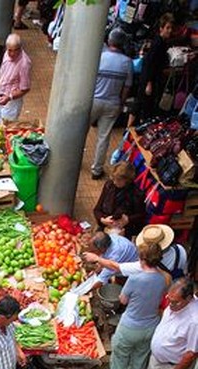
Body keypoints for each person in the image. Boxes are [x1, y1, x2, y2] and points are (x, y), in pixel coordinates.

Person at [109, 241, 168, 369]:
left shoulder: (135, 278)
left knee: (119, 361)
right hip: (150, 327)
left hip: (130, 327)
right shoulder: (163, 279)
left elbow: (123, 300)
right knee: (139, 363)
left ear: (142, 259)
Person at [90, 29, 133, 180]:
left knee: (80, 132)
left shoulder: (99, 57)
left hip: (93, 100)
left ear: (109, 41)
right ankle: (96, 170)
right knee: (103, 137)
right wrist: (120, 104)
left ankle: (70, 162)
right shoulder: (127, 62)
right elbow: (126, 87)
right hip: (112, 104)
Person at [130, 14, 175, 127]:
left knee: (144, 104)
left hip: (152, 79)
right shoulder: (158, 43)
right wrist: (149, 83)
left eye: (171, 28)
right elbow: (150, 63)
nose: (170, 31)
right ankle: (129, 128)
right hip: (149, 79)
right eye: (167, 28)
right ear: (161, 28)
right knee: (141, 104)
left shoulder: (162, 42)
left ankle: (132, 127)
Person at [92, 161, 146, 239]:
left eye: (119, 180)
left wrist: (128, 219)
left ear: (127, 180)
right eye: (114, 179)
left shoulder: (137, 194)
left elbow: (141, 216)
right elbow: (97, 209)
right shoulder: (109, 186)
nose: (115, 182)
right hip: (106, 228)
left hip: (123, 232)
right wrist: (102, 219)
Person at [0, 34, 32, 124]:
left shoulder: (24, 63)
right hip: (1, 97)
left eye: (15, 50)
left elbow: (25, 88)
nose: (12, 54)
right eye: (10, 50)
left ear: (20, 48)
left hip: (11, 103)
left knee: (7, 127)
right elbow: (1, 73)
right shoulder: (6, 54)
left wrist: (9, 97)